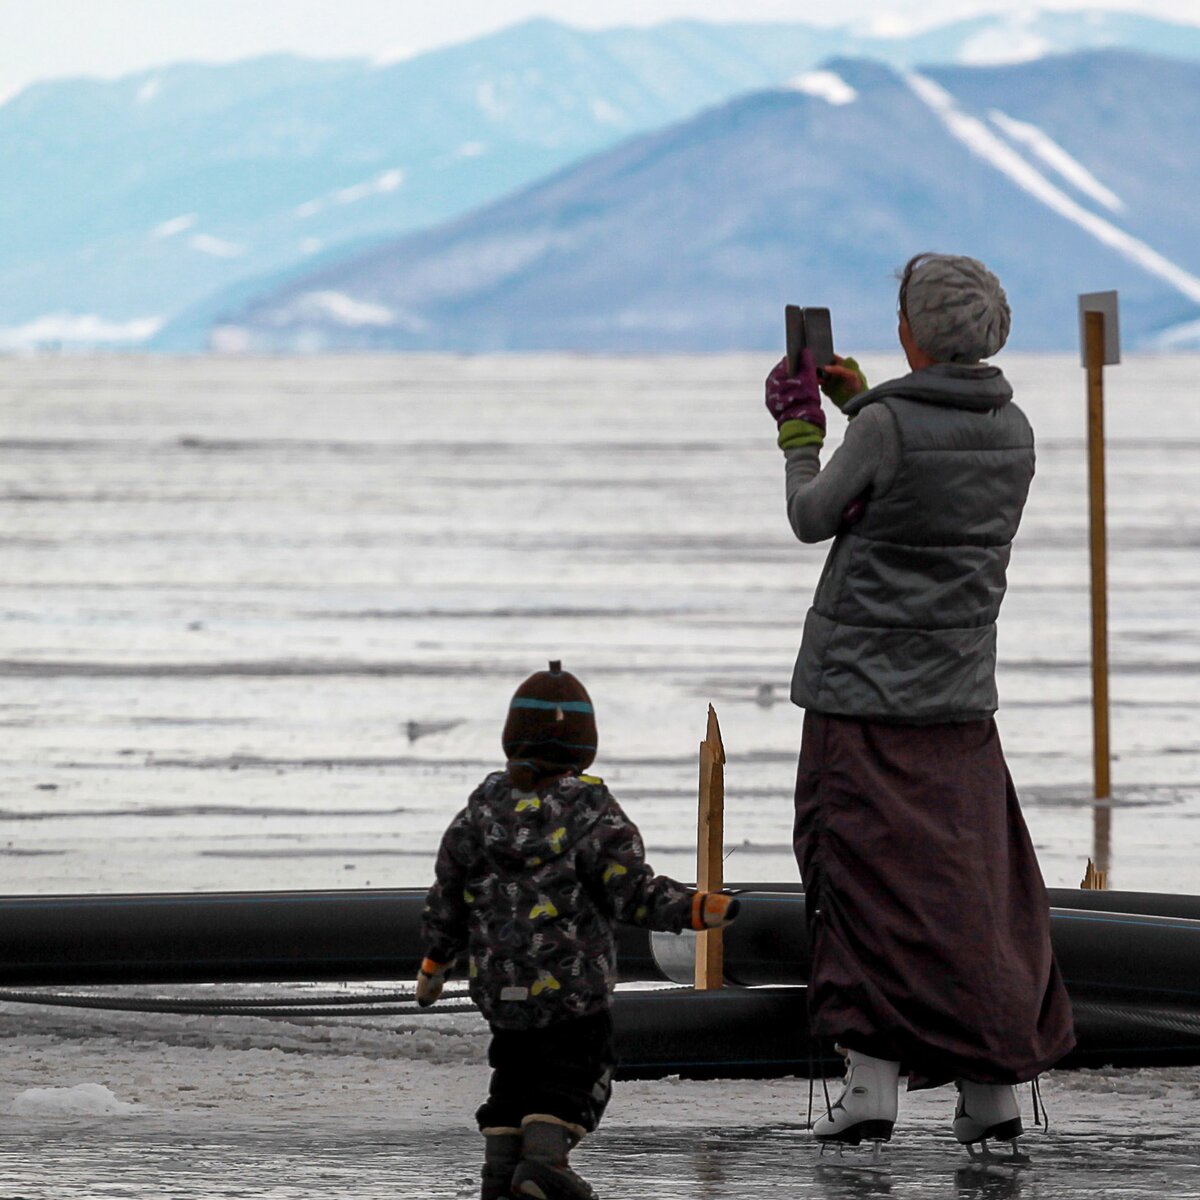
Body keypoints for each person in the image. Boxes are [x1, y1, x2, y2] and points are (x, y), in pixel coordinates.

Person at [763, 253, 1075, 1157]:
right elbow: (921, 482)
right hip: (959, 702)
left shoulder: (888, 426)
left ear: (912, 333)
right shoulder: (1014, 429)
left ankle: (869, 1086)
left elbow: (815, 514)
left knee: (861, 883)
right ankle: (988, 1092)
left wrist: (800, 429)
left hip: (860, 698)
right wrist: (864, 400)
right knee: (971, 892)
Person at [417, 660, 739, 1200]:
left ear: (511, 742)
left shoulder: (479, 812)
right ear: (583, 749)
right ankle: (544, 1163)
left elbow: (447, 893)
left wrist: (434, 962)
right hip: (572, 991)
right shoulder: (594, 813)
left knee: (514, 1076)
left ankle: (500, 1176)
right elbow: (631, 892)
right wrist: (695, 909)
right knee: (575, 1077)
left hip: (501, 989)